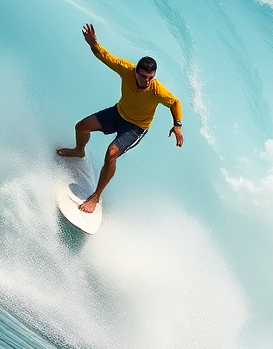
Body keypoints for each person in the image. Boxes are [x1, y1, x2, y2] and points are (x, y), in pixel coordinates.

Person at [57, 23, 183, 213]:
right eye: (143, 77)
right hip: (118, 113)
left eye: (150, 78)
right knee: (81, 126)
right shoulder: (126, 69)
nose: (146, 81)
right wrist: (93, 44)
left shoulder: (157, 91)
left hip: (135, 128)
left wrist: (177, 125)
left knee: (111, 153)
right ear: (135, 72)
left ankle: (96, 196)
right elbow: (105, 57)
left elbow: (175, 102)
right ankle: (79, 151)